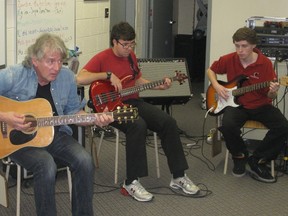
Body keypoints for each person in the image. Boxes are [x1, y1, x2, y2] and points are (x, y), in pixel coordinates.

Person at [76, 21, 200, 202]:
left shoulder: (131, 57)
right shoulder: (103, 57)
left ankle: (178, 176)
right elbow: (80, 78)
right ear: (114, 42)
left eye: (132, 44)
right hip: (109, 107)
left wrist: (159, 86)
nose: (129, 48)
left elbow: (138, 80)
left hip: (132, 101)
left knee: (168, 123)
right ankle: (131, 182)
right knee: (138, 125)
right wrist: (107, 75)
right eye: (125, 44)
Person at [0, 33, 114, 215]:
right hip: (18, 141)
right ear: (35, 60)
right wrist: (5, 116)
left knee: (85, 161)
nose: (56, 67)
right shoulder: (14, 75)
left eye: (60, 61)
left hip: (55, 134)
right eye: (51, 61)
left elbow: (74, 112)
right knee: (46, 165)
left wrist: (95, 119)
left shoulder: (67, 77)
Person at [207, 27, 288, 183]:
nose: (240, 50)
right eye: (237, 45)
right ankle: (239, 156)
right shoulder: (230, 59)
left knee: (283, 126)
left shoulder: (264, 63)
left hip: (260, 104)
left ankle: (258, 159)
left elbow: (270, 94)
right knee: (228, 125)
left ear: (253, 45)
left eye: (244, 46)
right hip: (236, 105)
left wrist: (274, 91)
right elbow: (210, 70)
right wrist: (217, 86)